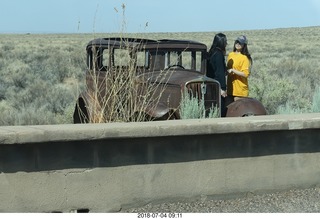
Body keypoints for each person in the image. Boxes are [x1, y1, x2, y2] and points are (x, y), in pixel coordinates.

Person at [226, 35, 252, 104]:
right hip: (230, 89)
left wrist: (233, 70)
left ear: (244, 45)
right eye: (237, 42)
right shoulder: (230, 55)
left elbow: (245, 74)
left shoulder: (244, 58)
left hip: (240, 91)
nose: (237, 44)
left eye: (240, 43)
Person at [207, 33, 228, 116]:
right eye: (225, 41)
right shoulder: (219, 54)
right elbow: (219, 72)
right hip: (217, 85)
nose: (226, 43)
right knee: (220, 109)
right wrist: (222, 88)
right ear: (221, 42)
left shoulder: (211, 52)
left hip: (210, 84)